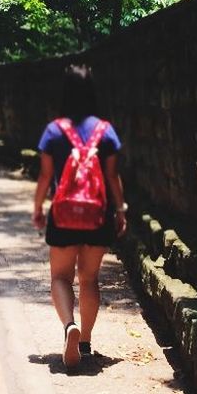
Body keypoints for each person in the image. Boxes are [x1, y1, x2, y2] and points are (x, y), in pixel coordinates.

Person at [32, 63, 127, 368]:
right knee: (89, 279)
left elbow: (46, 177)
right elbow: (113, 177)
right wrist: (121, 210)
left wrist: (37, 208)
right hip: (97, 216)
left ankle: (68, 326)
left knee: (60, 277)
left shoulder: (53, 130)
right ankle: (85, 342)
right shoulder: (105, 130)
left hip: (63, 216)